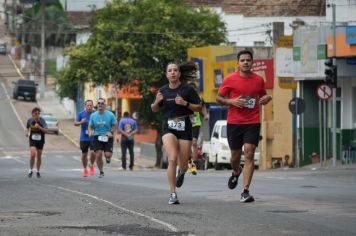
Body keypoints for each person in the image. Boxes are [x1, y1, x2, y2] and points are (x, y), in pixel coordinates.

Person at [216, 50, 272, 203]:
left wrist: (267, 98)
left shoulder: (258, 80)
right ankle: (236, 171)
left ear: (252, 62)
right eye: (243, 60)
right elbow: (218, 98)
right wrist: (231, 102)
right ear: (238, 63)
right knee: (235, 156)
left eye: (248, 60)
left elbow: (263, 95)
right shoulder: (230, 79)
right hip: (234, 122)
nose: (246, 62)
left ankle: (245, 191)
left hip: (252, 121)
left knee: (249, 153)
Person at [151, 62, 202, 205]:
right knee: (172, 159)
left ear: (179, 74)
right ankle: (173, 193)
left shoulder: (188, 89)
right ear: (166, 74)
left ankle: (182, 172)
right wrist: (157, 101)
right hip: (169, 127)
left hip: (185, 126)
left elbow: (198, 107)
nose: (173, 73)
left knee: (184, 164)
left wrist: (185, 103)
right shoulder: (162, 91)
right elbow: (154, 109)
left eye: (175, 70)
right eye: (170, 71)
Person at [88, 98, 117, 178]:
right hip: (97, 136)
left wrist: (111, 132)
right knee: (98, 155)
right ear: (97, 105)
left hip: (108, 136)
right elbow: (90, 126)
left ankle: (108, 158)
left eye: (102, 103)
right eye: (99, 103)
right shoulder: (93, 115)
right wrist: (90, 132)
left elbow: (115, 125)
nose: (100, 104)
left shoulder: (110, 115)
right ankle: (101, 171)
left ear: (105, 105)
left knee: (107, 154)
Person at [188, 82, 209, 175]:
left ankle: (194, 165)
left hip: (196, 123)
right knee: (186, 145)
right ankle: (189, 163)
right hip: (186, 124)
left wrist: (205, 114)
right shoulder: (184, 98)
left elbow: (203, 107)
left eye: (194, 90)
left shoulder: (199, 98)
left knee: (194, 143)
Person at [74, 99, 96, 177]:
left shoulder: (95, 114)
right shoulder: (81, 114)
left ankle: (91, 165)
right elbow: (75, 123)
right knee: (84, 154)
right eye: (88, 105)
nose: (89, 107)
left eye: (91, 105)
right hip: (84, 137)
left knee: (93, 153)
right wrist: (81, 122)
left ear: (93, 106)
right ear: (85, 106)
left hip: (93, 137)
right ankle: (85, 169)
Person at [25, 107, 48, 178]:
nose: (37, 115)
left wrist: (39, 127)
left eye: (38, 113)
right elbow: (27, 128)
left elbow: (46, 131)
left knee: (39, 156)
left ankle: (38, 171)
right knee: (33, 154)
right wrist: (26, 132)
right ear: (33, 114)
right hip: (32, 140)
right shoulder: (30, 120)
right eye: (36, 113)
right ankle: (31, 170)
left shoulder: (42, 121)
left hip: (40, 140)